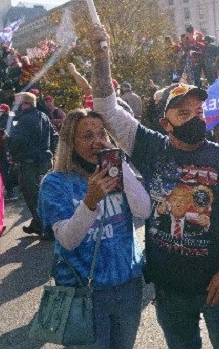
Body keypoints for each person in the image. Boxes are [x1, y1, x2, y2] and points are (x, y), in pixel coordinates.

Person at [88, 24, 219, 349]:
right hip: (169, 292)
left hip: (217, 287)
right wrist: (101, 56)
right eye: (184, 113)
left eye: (199, 111)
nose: (195, 118)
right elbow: (106, 109)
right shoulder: (150, 147)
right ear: (165, 123)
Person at [39, 108, 151, 349]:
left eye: (101, 134)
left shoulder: (116, 171)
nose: (97, 142)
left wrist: (121, 168)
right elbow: (68, 241)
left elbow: (144, 211)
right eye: (87, 136)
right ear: (71, 142)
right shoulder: (56, 183)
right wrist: (90, 201)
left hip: (127, 284)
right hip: (84, 291)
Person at [8, 91, 58, 238]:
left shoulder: (23, 120)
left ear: (27, 104)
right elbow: (55, 136)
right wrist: (50, 153)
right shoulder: (43, 116)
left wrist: (10, 146)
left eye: (19, 103)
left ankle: (46, 227)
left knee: (32, 195)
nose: (16, 106)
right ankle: (38, 224)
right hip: (44, 162)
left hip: (29, 163)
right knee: (43, 194)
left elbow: (18, 141)